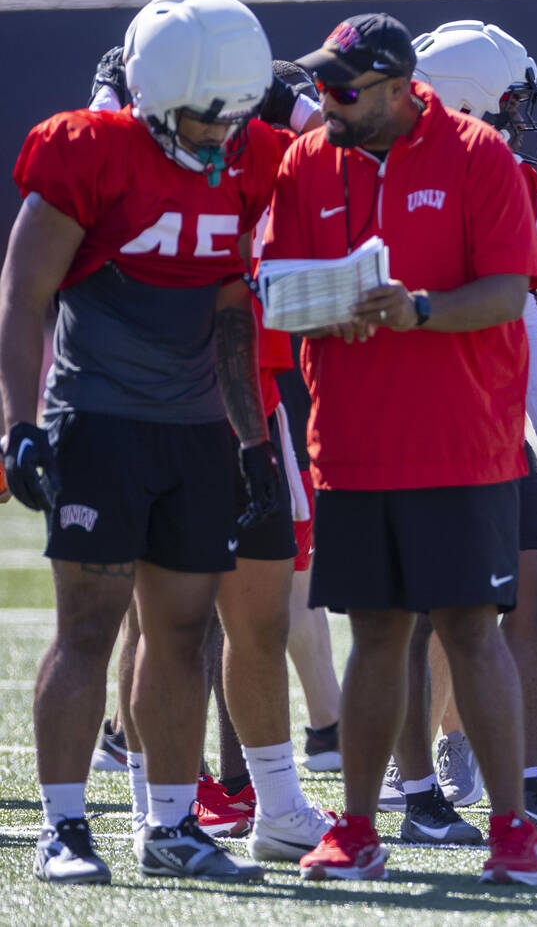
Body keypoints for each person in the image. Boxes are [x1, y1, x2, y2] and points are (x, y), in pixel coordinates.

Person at [0, 0, 282, 883]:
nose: (219, 135)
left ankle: (168, 825)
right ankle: (65, 826)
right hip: (101, 423)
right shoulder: (89, 148)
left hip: (196, 429)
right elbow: (24, 293)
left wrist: (251, 440)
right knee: (86, 626)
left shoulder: (250, 156)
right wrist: (19, 423)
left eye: (233, 119)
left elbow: (237, 310)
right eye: (204, 119)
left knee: (186, 627)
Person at [262, 11, 537, 884]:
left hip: (463, 443)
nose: (327, 103)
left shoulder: (478, 155)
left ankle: (512, 828)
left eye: (344, 90)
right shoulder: (307, 159)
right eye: (322, 85)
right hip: (349, 441)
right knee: (375, 635)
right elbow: (275, 286)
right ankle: (356, 827)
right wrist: (324, 306)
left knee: (469, 629)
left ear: (396, 87)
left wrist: (417, 309)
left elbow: (507, 291)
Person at [85, 48, 335, 856]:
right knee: (153, 623)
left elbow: (335, 149)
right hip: (146, 408)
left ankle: (272, 803)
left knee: (258, 619)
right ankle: (154, 801)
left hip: (250, 399)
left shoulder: (260, 147)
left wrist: (296, 103)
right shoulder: (117, 149)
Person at [373, 19, 537, 848]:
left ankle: (528, 785)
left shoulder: (495, 170)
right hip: (419, 422)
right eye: (509, 105)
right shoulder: (384, 172)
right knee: (412, 615)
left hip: (495, 425)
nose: (519, 122)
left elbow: (525, 311)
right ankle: (419, 792)